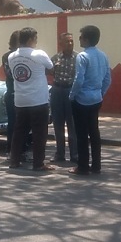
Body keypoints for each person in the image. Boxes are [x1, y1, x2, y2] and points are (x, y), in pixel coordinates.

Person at [8, 27, 54, 172]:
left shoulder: (11, 57)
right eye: (35, 39)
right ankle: (38, 163)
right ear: (29, 40)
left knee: (19, 131)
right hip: (38, 100)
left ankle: (14, 160)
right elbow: (51, 67)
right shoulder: (39, 54)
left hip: (20, 100)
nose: (36, 42)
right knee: (39, 133)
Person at [69, 25, 112, 175]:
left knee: (81, 134)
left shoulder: (82, 56)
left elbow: (78, 80)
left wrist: (72, 95)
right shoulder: (103, 56)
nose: (79, 39)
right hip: (96, 98)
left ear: (86, 39)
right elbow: (108, 79)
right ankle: (96, 165)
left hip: (82, 100)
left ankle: (82, 166)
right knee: (94, 132)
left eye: (80, 37)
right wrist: (100, 93)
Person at [49, 32, 78, 163]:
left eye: (71, 41)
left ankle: (74, 154)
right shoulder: (55, 58)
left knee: (72, 124)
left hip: (71, 91)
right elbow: (47, 71)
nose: (70, 44)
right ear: (61, 44)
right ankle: (59, 154)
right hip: (57, 91)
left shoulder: (78, 58)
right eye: (67, 41)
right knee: (58, 124)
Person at [1, 30, 19, 157]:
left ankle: (21, 149)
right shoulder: (7, 56)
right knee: (13, 123)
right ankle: (10, 149)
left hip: (22, 94)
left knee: (23, 124)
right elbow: (10, 74)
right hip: (12, 93)